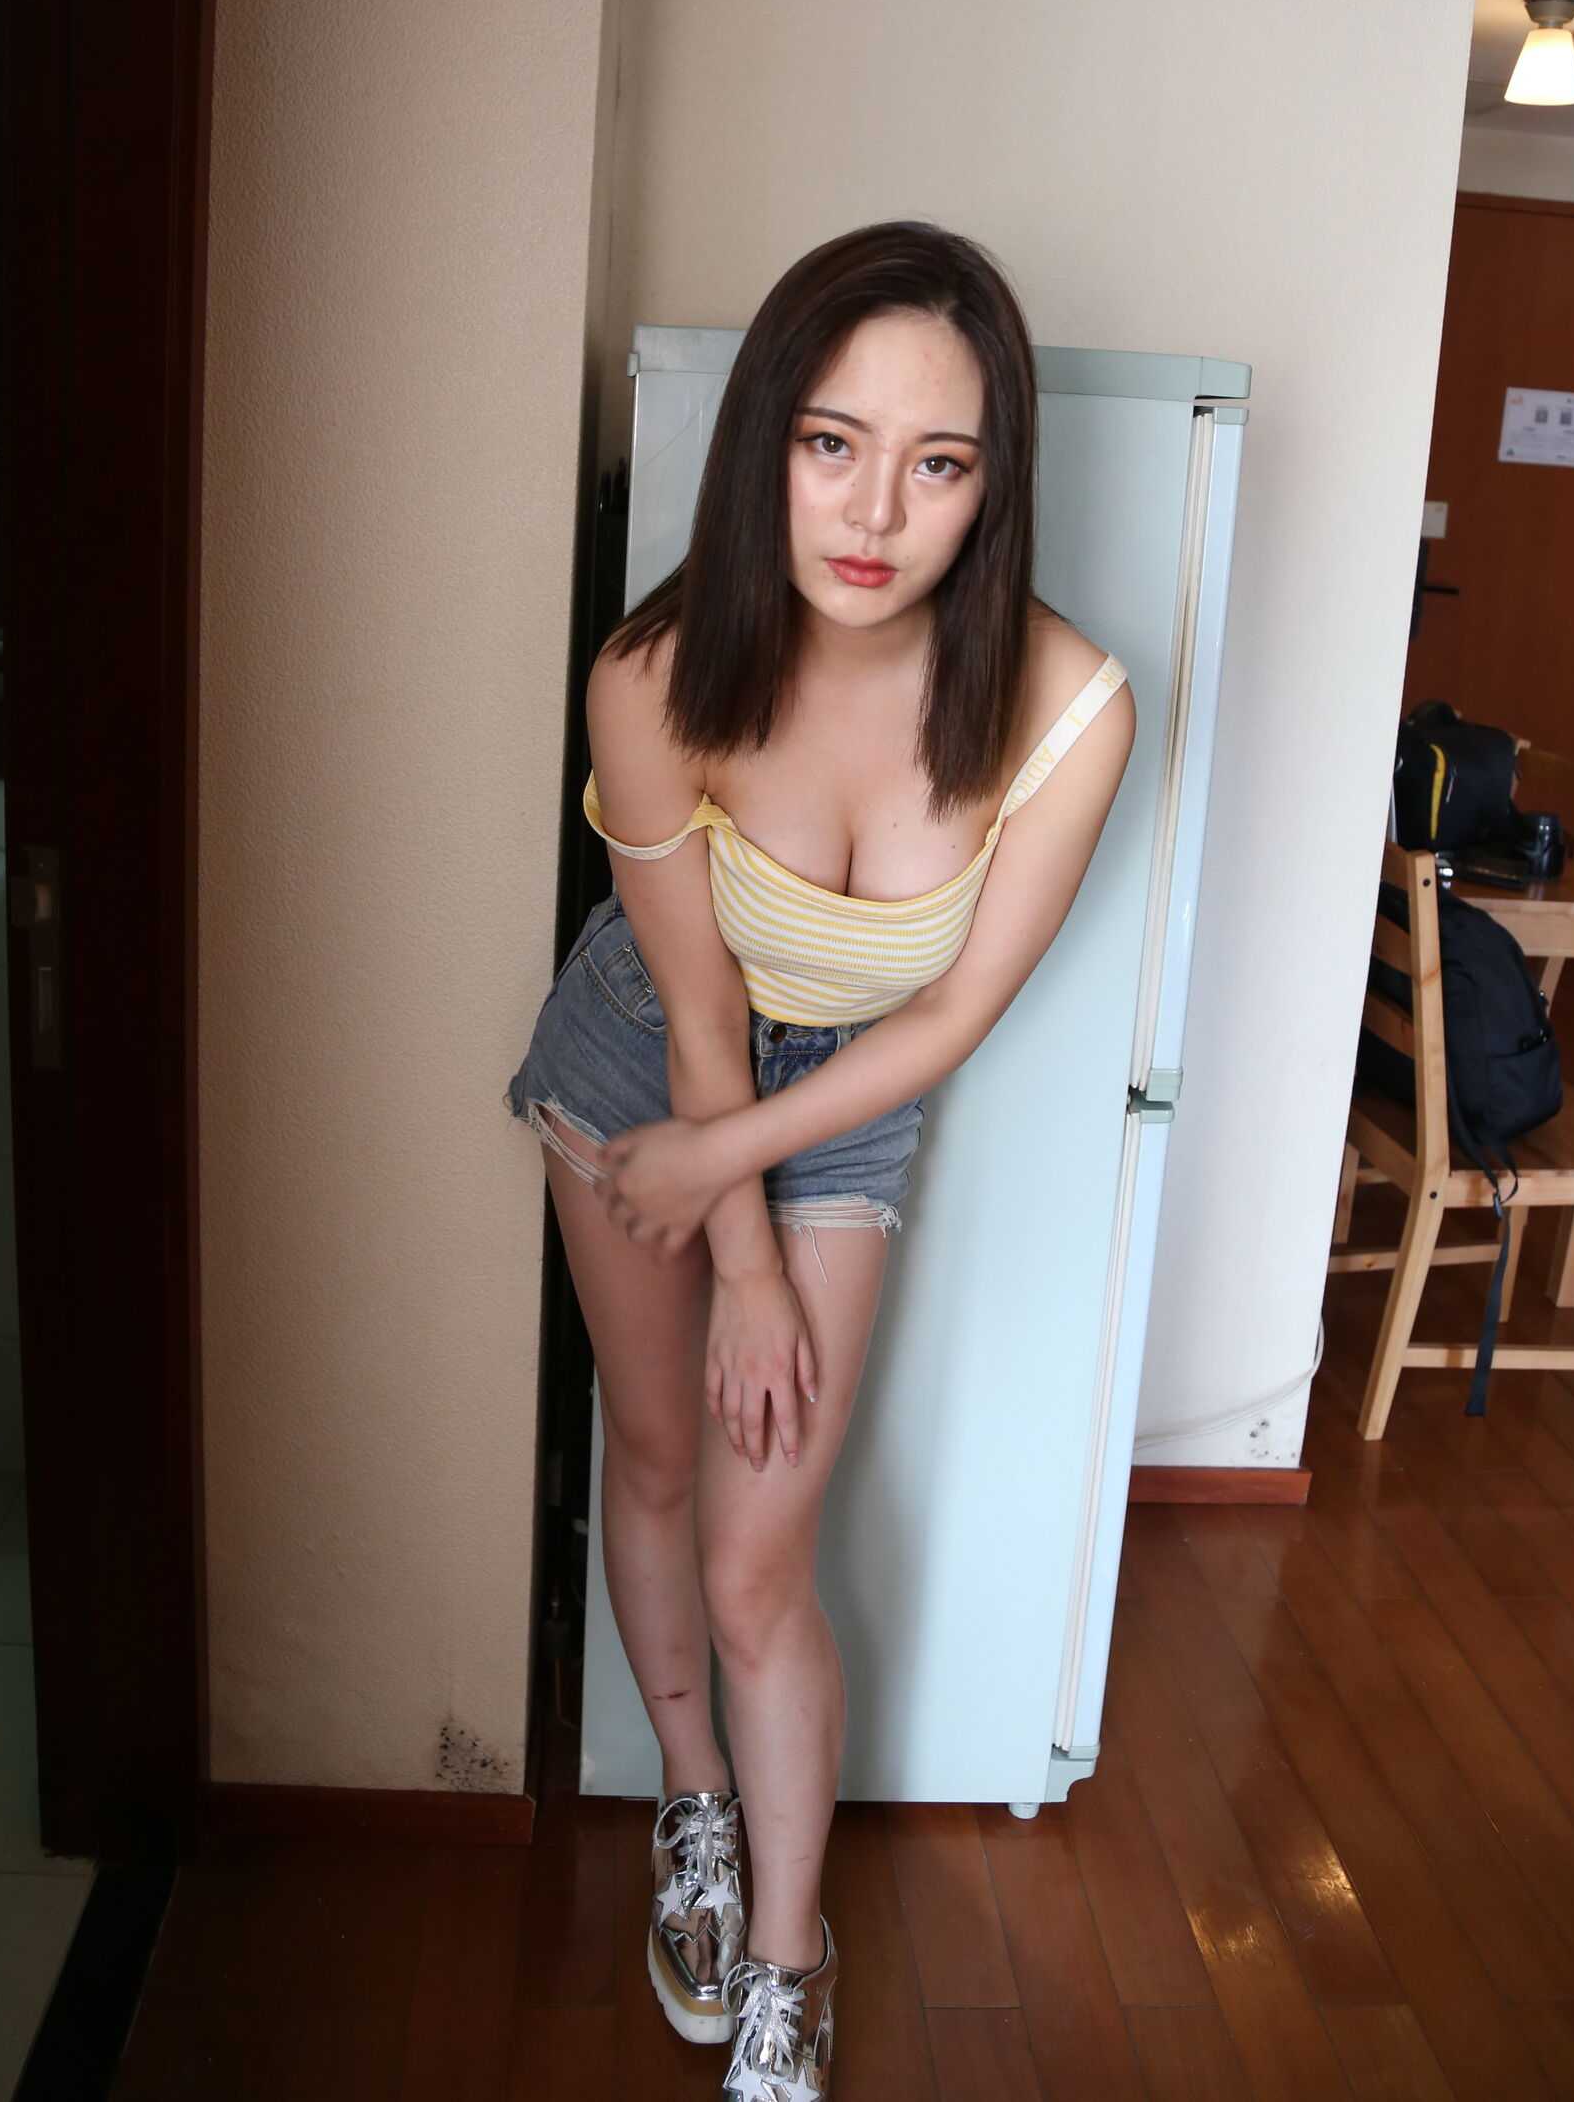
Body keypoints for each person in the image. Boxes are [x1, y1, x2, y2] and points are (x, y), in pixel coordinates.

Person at [503, 220, 1136, 2100]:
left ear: (993, 486)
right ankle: (692, 1802)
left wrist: (762, 1228)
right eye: (831, 444)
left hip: (847, 1087)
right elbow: (701, 1014)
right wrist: (742, 1257)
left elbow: (947, 1019)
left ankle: (792, 1950)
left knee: (760, 1553)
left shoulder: (1069, 709)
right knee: (657, 1454)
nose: (873, 514)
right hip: (645, 1053)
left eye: (938, 464)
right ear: (766, 437)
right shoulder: (653, 673)